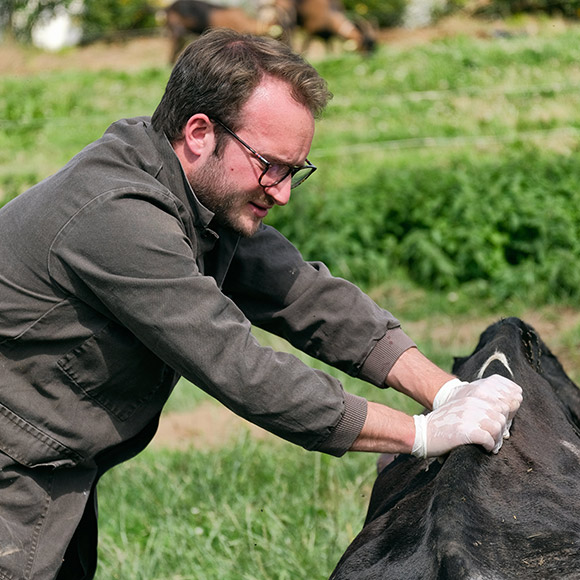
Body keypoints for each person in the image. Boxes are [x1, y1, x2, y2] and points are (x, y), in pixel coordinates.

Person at [0, 29, 522, 579]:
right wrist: (420, 435)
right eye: (270, 165)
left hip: (55, 467)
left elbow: (302, 293)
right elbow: (241, 368)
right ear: (200, 132)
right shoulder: (120, 217)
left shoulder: (196, 192)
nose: (283, 192)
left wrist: (448, 391)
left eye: (295, 170)